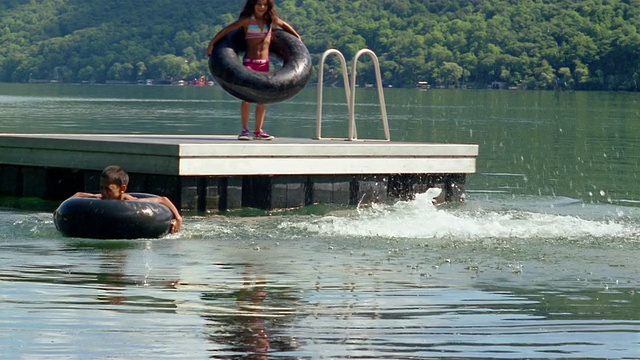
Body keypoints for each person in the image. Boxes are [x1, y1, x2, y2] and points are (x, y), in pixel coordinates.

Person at [206, 0, 301, 141]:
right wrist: (212, 44)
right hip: (249, 63)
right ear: (253, 5)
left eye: (264, 5)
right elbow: (227, 30)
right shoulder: (247, 21)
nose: (261, 7)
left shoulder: (271, 20)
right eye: (258, 4)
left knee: (262, 100)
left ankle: (259, 131)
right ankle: (245, 130)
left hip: (264, 64)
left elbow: (284, 25)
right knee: (247, 98)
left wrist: (297, 37)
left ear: (268, 6)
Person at [69, 165, 183, 233]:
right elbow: (78, 194)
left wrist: (178, 218)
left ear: (122, 188)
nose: (103, 193)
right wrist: (59, 210)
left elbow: (162, 200)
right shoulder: (101, 198)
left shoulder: (132, 202)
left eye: (108, 189)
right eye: (101, 188)